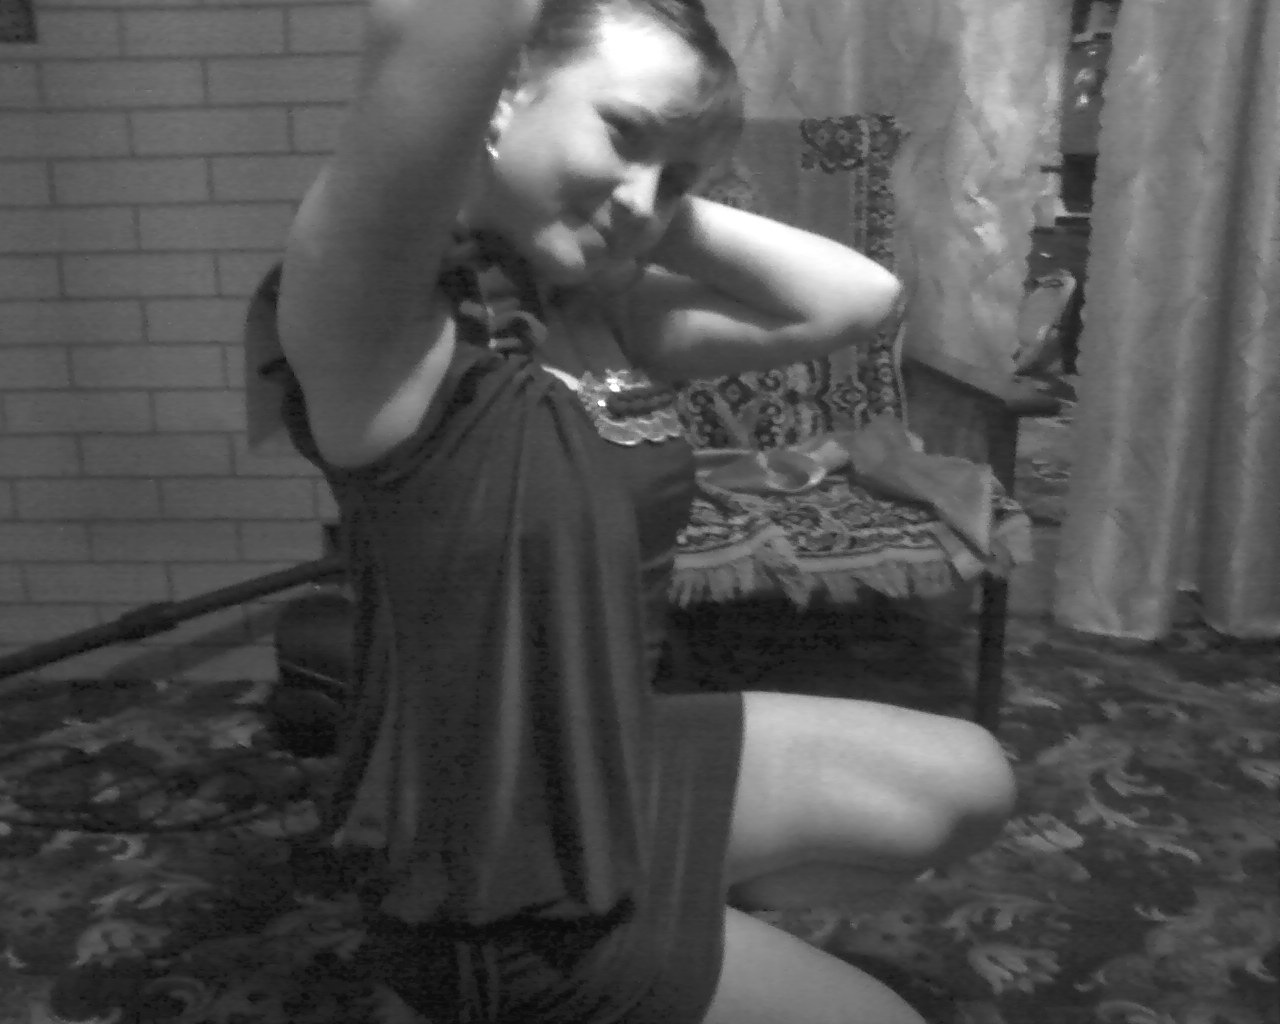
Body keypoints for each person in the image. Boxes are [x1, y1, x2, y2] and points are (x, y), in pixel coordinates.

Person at [269, 1, 1018, 1021]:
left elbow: (855, 298)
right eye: (620, 131)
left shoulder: (597, 312)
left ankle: (678, 921)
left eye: (675, 179)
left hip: (616, 763)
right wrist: (600, 184)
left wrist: (640, 194)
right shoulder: (383, 332)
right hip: (493, 876)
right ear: (498, 97)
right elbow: (435, 27)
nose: (642, 199)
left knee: (969, 780)